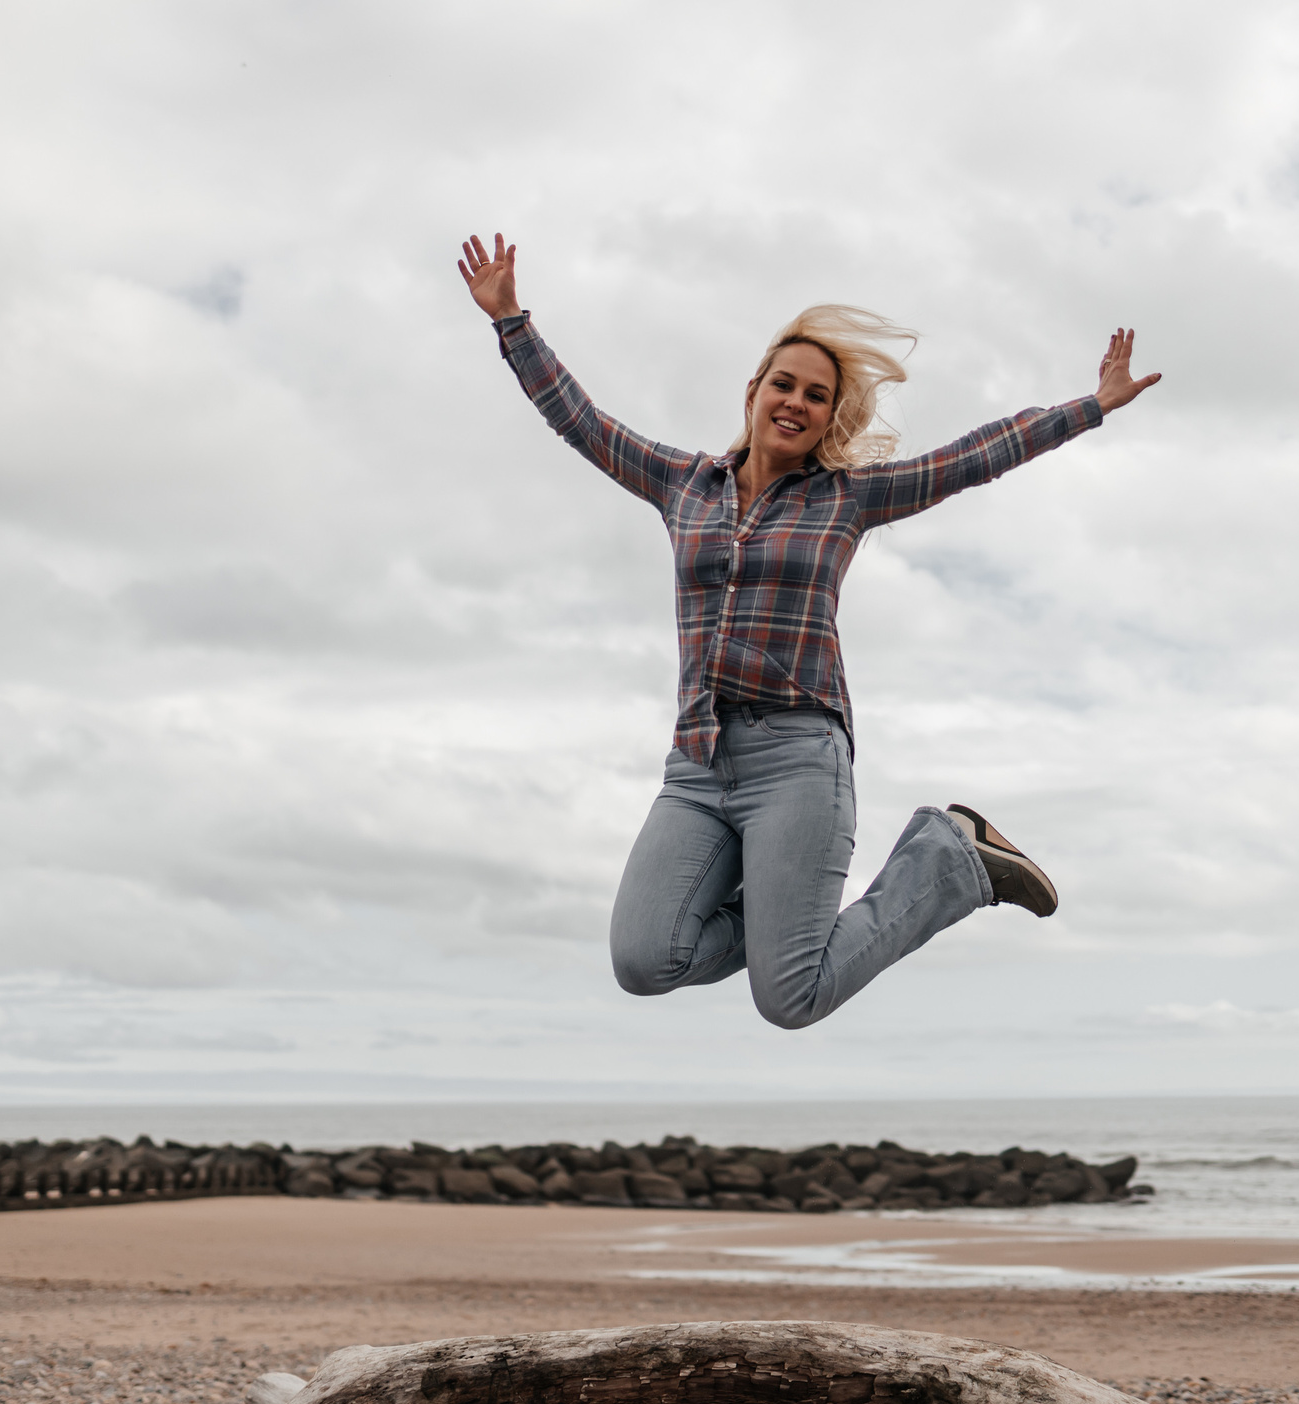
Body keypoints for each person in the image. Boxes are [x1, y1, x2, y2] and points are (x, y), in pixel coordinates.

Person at [458, 233, 1161, 1030]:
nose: (795, 401)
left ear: (830, 416)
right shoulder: (681, 484)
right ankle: (788, 911)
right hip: (697, 763)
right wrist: (511, 320)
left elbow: (974, 457)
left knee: (789, 998)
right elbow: (580, 421)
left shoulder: (846, 499)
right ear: (753, 391)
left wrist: (1092, 407)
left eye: (816, 395)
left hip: (798, 757)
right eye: (782, 384)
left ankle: (953, 857)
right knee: (644, 959)